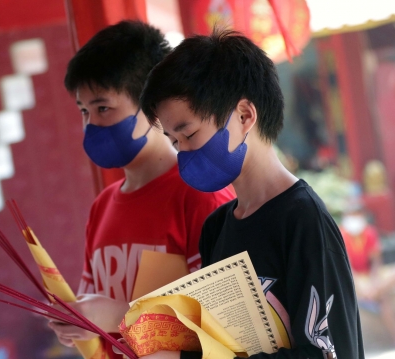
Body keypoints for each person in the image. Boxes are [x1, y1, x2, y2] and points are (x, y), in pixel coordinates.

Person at [137, 27, 364, 359]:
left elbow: (328, 352)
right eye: (174, 142)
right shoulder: (215, 229)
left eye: (189, 133)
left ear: (244, 115)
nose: (183, 152)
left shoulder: (303, 219)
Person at [47, 21, 235, 358]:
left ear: (151, 106)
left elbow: (228, 325)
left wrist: (118, 315)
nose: (92, 125)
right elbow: (95, 323)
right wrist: (75, 322)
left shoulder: (201, 195)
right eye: (84, 112)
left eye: (104, 108)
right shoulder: (102, 206)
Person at [340, 204, 395, 343]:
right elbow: (348, 266)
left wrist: (374, 282)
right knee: (382, 300)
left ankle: (374, 294)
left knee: (390, 281)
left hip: (370, 277)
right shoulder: (341, 234)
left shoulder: (369, 232)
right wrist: (361, 286)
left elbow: (376, 261)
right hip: (354, 278)